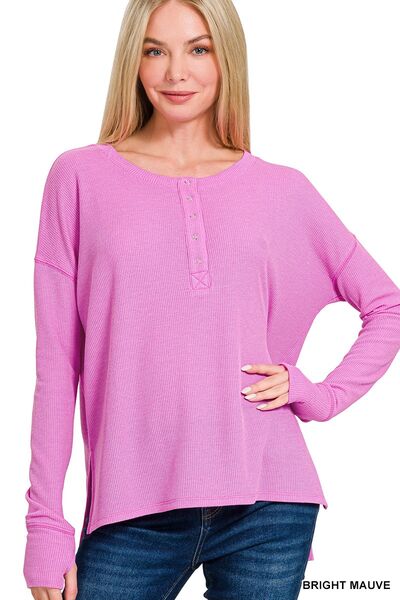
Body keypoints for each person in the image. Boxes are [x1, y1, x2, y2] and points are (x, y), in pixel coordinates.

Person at [23, 0, 400, 599]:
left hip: (269, 502)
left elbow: (387, 306)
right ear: (132, 61)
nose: (176, 72)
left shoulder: (281, 189)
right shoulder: (79, 178)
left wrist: (320, 395)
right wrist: (45, 523)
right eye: (155, 50)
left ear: (227, 60)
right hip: (132, 511)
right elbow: (56, 367)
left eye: (198, 49)